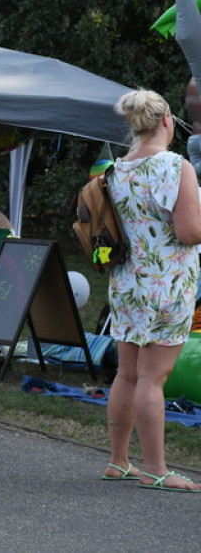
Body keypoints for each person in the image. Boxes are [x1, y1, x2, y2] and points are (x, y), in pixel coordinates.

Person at [103, 89, 201, 491]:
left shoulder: (114, 169)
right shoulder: (177, 167)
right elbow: (190, 232)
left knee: (127, 374)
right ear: (166, 121)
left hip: (126, 285)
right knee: (152, 379)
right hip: (168, 286)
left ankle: (119, 461)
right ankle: (157, 469)